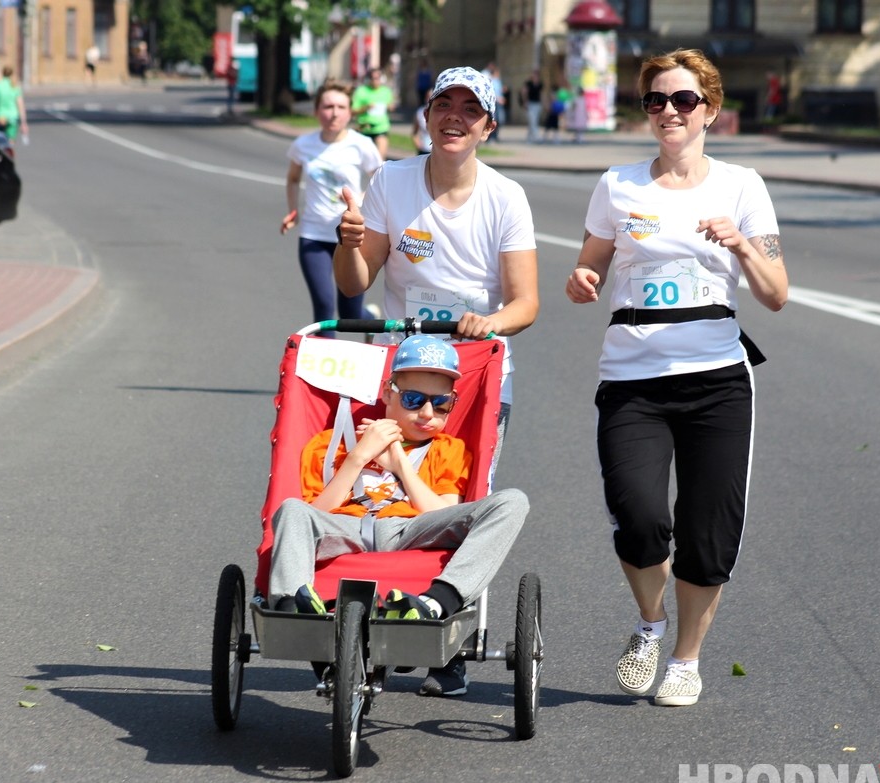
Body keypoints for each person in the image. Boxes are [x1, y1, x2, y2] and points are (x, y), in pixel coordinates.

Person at [565, 48, 788, 707]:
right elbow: (590, 264)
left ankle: (686, 659)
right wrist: (583, 279)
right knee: (638, 515)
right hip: (632, 378)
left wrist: (741, 244)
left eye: (683, 100)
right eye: (656, 100)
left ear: (709, 110)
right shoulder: (618, 185)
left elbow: (777, 293)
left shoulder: (742, 187)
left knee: (707, 529)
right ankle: (650, 623)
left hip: (717, 380)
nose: (669, 111)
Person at [268, 335, 530, 697]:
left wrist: (400, 465)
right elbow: (315, 513)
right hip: (345, 526)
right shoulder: (331, 444)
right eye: (413, 400)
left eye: (442, 404)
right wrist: (358, 457)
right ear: (388, 394)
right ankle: (291, 608)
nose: (427, 414)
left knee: (512, 501)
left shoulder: (450, 450)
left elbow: (444, 513)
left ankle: (436, 603)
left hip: (411, 528)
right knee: (290, 510)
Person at [334, 65, 539, 477]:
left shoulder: (507, 197)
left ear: (488, 127)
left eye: (470, 110)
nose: (454, 117)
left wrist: (490, 322)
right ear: (426, 117)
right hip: (403, 373)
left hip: (475, 370)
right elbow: (353, 282)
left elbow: (526, 303)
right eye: (443, 105)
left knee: (463, 492)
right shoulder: (391, 180)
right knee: (388, 490)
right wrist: (349, 243)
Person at [281, 81, 384, 331]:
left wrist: (358, 198)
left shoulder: (361, 144)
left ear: (350, 112)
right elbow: (293, 179)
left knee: (350, 316)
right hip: (313, 236)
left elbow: (381, 183)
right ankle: (326, 358)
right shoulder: (303, 144)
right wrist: (293, 211)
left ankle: (369, 318)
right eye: (328, 107)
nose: (334, 113)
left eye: (341, 107)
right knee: (324, 309)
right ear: (317, 111)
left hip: (350, 237)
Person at [351, 67, 395, 160]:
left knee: (380, 160)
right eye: (373, 78)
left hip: (381, 128)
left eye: (378, 78)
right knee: (365, 160)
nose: (376, 81)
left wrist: (390, 107)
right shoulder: (361, 91)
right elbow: (353, 111)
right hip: (364, 128)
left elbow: (391, 106)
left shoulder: (386, 91)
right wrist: (366, 108)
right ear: (369, 79)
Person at [0, 65, 27, 143]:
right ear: (12, 74)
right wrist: (23, 123)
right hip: (13, 117)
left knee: (0, 141)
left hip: (1, 116)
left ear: (3, 73)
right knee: (11, 141)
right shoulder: (15, 87)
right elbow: (20, 106)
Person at [520, 68, 544, 143]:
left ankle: (529, 138)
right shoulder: (528, 83)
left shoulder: (540, 84)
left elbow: (541, 94)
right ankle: (536, 136)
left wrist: (543, 103)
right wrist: (524, 102)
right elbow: (524, 92)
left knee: (534, 121)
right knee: (532, 120)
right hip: (530, 104)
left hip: (537, 104)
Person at [410, 89, 432, 155]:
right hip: (423, 149)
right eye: (428, 97)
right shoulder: (420, 112)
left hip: (437, 151)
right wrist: (417, 143)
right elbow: (414, 132)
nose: (430, 100)